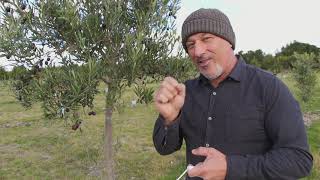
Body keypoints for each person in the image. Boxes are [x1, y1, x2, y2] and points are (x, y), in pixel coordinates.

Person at [152, 8, 313, 180]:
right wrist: (170, 119)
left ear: (229, 41)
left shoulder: (268, 87)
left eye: (206, 39)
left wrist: (231, 168)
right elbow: (165, 149)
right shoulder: (186, 92)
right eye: (191, 45)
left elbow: (298, 160)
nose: (198, 51)